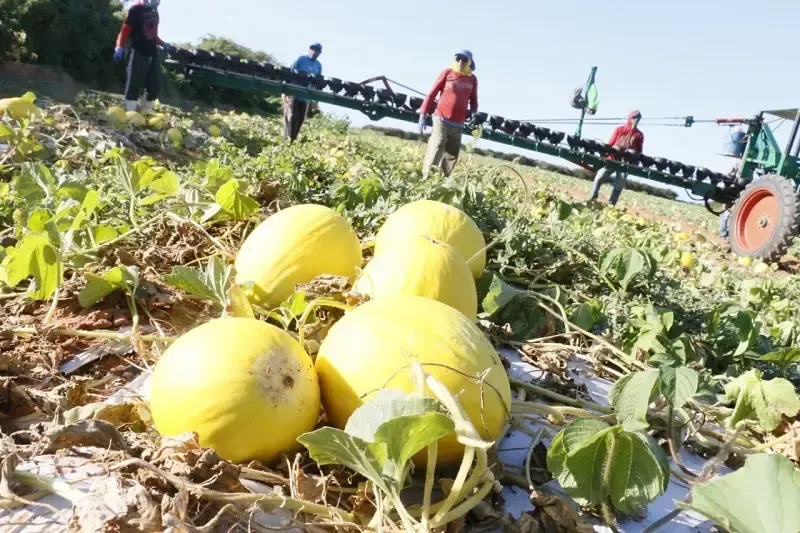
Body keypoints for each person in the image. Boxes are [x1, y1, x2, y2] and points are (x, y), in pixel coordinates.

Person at [419, 50, 479, 179]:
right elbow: (432, 93)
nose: (460, 62)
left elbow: (474, 101)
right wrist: (422, 115)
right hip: (441, 117)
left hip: (458, 122)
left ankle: (441, 180)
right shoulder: (447, 72)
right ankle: (427, 178)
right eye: (458, 59)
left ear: (470, 63)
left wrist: (474, 113)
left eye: (464, 60)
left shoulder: (473, 79)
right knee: (437, 144)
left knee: (451, 154)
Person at [113, 0, 167, 114]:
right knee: (134, 84)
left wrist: (164, 44)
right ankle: (130, 112)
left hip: (153, 52)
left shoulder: (155, 11)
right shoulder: (135, 10)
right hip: (137, 50)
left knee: (156, 85)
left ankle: (145, 110)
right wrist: (119, 46)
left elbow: (153, 35)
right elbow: (125, 30)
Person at [589, 110, 644, 205]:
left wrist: (636, 160)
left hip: (625, 163)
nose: (636, 120)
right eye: (634, 118)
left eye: (638, 118)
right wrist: (605, 153)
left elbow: (639, 150)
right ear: (630, 118)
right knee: (599, 177)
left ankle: (611, 204)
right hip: (613, 158)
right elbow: (611, 143)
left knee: (619, 185)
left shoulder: (639, 135)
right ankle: (593, 196)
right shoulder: (620, 129)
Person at [283, 43, 323, 142]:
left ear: (319, 53)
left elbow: (317, 83)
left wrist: (315, 101)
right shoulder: (301, 59)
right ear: (309, 50)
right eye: (312, 49)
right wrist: (285, 90)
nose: (314, 52)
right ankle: (287, 139)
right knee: (292, 117)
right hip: (294, 94)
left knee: (300, 120)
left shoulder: (318, 66)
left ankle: (292, 140)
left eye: (317, 51)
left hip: (305, 97)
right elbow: (290, 73)